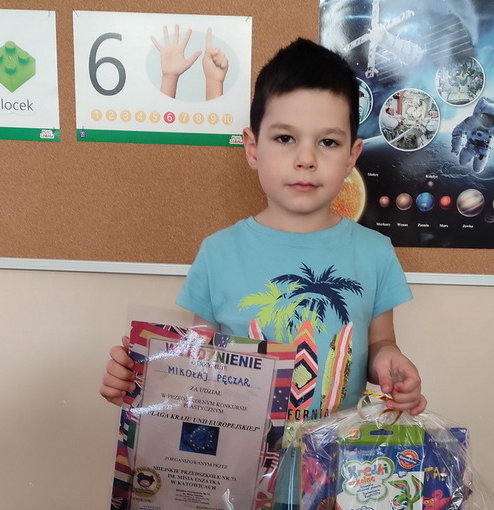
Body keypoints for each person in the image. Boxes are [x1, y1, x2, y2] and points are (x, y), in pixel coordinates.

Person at [100, 37, 426, 508]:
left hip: (339, 479)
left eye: (328, 142)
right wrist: (140, 381)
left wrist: (391, 364)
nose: (306, 158)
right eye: (285, 138)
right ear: (252, 147)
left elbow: (379, 343)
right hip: (235, 480)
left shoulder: (375, 253)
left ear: (352, 156)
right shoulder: (218, 252)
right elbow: (194, 369)